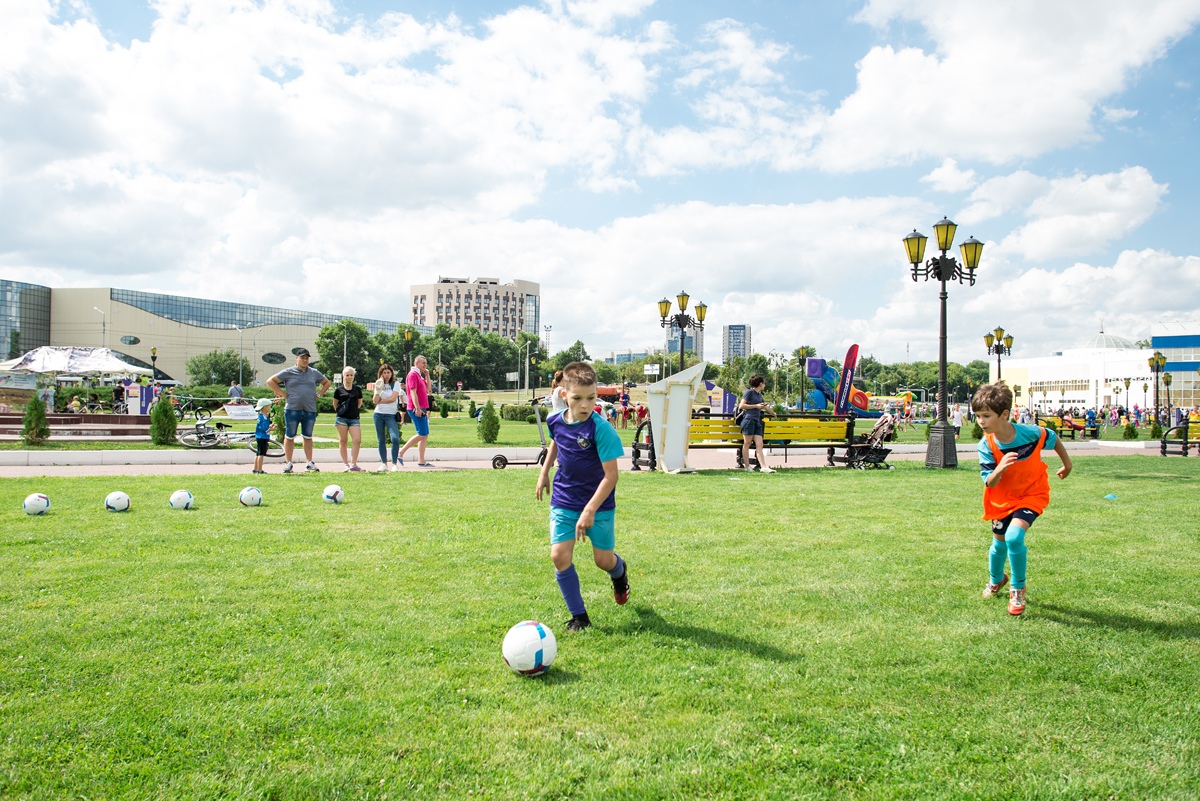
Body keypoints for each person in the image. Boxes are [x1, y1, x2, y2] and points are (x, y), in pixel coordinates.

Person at [535, 361, 629, 632]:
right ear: (564, 395)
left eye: (591, 398)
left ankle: (620, 572)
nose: (585, 405)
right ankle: (580, 617)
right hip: (564, 500)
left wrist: (589, 510)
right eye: (578, 398)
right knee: (559, 556)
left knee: (603, 561)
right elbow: (556, 441)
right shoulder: (555, 420)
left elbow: (611, 476)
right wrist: (544, 473)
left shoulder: (602, 430)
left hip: (598, 506)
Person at [973, 382, 1072, 617]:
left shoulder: (1031, 433)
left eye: (986, 416)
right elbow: (990, 482)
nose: (981, 421)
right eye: (977, 416)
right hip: (1000, 500)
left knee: (1014, 537)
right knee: (999, 545)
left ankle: (1017, 589)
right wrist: (1000, 468)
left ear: (1004, 414)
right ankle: (996, 580)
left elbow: (1052, 437)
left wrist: (1067, 464)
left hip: (1032, 494)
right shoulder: (985, 445)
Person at [266, 348, 331, 474]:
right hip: (292, 409)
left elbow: (326, 383)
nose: (305, 360)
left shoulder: (314, 372)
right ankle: (288, 463)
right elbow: (271, 381)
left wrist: (319, 394)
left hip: (309, 409)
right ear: (297, 358)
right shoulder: (289, 372)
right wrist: (283, 394)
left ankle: (309, 463)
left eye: (307, 358)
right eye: (302, 358)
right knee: (289, 436)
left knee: (307, 436)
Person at [397, 355, 433, 467]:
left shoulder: (419, 375)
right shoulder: (412, 375)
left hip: (422, 407)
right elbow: (412, 392)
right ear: (416, 363)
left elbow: (429, 389)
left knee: (425, 435)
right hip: (416, 407)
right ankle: (401, 452)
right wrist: (417, 408)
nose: (425, 365)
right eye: (423, 363)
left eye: (426, 363)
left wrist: (427, 375)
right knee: (422, 433)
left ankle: (421, 460)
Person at [739, 375, 775, 473]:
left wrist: (773, 413)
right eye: (764, 383)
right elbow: (741, 405)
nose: (765, 385)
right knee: (747, 443)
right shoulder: (749, 392)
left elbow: (765, 406)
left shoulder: (759, 395)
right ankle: (747, 466)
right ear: (760, 383)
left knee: (760, 444)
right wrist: (756, 406)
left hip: (757, 421)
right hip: (749, 420)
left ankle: (764, 467)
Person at [372, 363, 403, 472]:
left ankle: (394, 463)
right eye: (384, 373)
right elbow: (374, 401)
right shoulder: (378, 383)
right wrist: (378, 389)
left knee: (395, 438)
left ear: (391, 373)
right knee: (381, 440)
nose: (386, 375)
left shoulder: (395, 384)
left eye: (388, 372)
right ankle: (384, 463)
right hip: (379, 414)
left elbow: (393, 398)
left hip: (391, 414)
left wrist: (381, 401)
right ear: (381, 374)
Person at [333, 366, 364, 472]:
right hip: (342, 418)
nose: (349, 377)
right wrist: (341, 411)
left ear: (353, 376)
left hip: (354, 418)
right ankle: (345, 463)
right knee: (343, 440)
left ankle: (353, 464)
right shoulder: (339, 390)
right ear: (343, 376)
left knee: (357, 440)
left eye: (351, 375)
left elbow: (359, 403)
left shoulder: (357, 389)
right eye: (347, 375)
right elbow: (335, 404)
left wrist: (353, 410)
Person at [252, 398, 275, 474]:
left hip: (261, 436)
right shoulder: (262, 418)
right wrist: (271, 429)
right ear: (265, 407)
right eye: (269, 406)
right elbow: (264, 428)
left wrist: (270, 426)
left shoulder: (264, 417)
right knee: (261, 454)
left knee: (258, 453)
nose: (270, 408)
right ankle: (259, 469)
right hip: (262, 437)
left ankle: (255, 469)